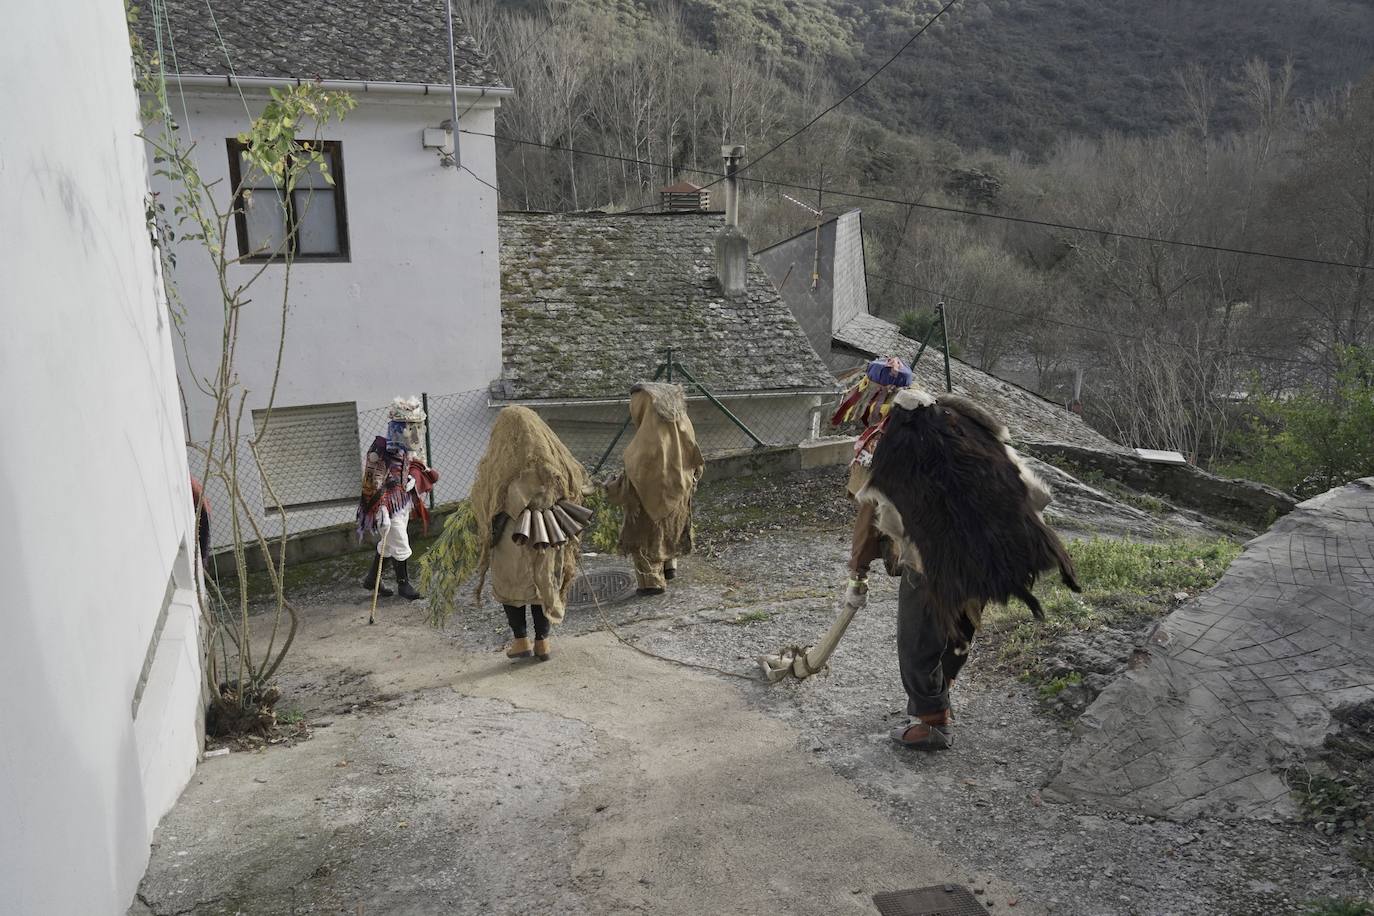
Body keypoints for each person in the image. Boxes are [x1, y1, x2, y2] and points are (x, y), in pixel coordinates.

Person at [469, 406, 591, 662]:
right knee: (543, 582)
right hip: (550, 531)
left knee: (512, 585)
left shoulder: (500, 466)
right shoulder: (554, 461)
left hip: (513, 535)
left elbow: (486, 499)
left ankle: (520, 640)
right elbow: (572, 488)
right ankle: (542, 643)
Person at [605, 382, 704, 595]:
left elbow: (634, 478)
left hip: (648, 504)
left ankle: (651, 582)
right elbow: (697, 462)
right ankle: (670, 565)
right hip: (679, 491)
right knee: (671, 526)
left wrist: (611, 488)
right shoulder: (682, 426)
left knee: (645, 537)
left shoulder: (645, 444)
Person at [357, 396, 439, 601]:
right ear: (397, 427)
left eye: (415, 426)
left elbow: (415, 464)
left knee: (388, 542)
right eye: (408, 427)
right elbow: (372, 483)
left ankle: (371, 579)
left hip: (402, 501)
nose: (412, 432)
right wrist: (381, 509)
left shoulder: (406, 449)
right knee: (400, 541)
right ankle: (404, 585)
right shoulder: (380, 449)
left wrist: (413, 476)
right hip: (385, 505)